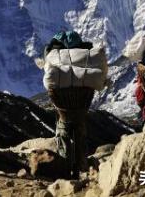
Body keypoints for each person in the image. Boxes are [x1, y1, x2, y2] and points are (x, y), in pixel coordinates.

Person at [44, 30, 95, 179]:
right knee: (80, 133)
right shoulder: (86, 59)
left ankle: (64, 169)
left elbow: (49, 83)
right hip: (81, 105)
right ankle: (82, 167)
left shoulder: (54, 59)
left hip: (62, 107)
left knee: (63, 131)